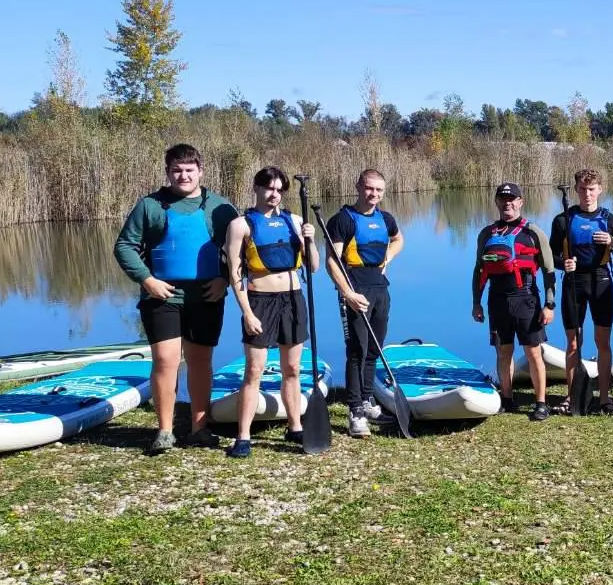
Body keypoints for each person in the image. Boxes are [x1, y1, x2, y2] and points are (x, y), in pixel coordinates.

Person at [113, 143, 240, 455]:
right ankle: (165, 431)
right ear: (168, 172)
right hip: (162, 297)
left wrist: (224, 280)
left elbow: (241, 251)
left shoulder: (220, 208)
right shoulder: (151, 206)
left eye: (189, 170)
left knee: (200, 362)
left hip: (206, 297)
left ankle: (199, 428)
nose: (183, 175)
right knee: (166, 361)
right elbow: (125, 246)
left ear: (201, 171)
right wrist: (147, 280)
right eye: (177, 170)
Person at [221, 166, 318, 458]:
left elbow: (312, 266)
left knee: (292, 369)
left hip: (292, 298)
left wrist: (310, 240)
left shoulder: (295, 221)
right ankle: (243, 437)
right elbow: (235, 275)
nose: (274, 195)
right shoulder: (241, 225)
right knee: (254, 371)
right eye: (269, 188)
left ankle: (295, 426)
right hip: (260, 301)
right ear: (257, 188)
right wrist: (247, 313)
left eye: (279, 190)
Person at [323, 169, 403, 438]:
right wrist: (347, 293)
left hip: (380, 289)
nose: (374, 195)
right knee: (357, 350)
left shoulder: (386, 218)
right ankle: (355, 411)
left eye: (379, 190)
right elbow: (331, 261)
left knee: (374, 350)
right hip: (355, 289)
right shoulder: (342, 220)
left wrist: (388, 258)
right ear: (358, 186)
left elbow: (398, 239)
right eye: (369, 189)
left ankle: (368, 401)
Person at [472, 183, 558, 419]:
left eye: (512, 199)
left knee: (533, 353)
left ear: (521, 202)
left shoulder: (533, 232)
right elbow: (479, 271)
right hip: (497, 299)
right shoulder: (487, 233)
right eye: (503, 198)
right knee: (503, 352)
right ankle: (507, 399)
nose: (507, 202)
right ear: (497, 202)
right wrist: (476, 302)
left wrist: (549, 305)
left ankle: (541, 404)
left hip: (526, 299)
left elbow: (549, 270)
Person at [550, 169, 613, 414]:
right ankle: (571, 395)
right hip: (574, 282)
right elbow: (550, 255)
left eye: (592, 189)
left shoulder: (611, 220)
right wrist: (562, 263)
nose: (587, 194)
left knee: (602, 341)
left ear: (600, 189)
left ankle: (604, 397)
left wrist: (612, 242)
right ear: (576, 190)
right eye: (583, 189)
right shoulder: (563, 219)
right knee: (574, 343)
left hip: (602, 280)